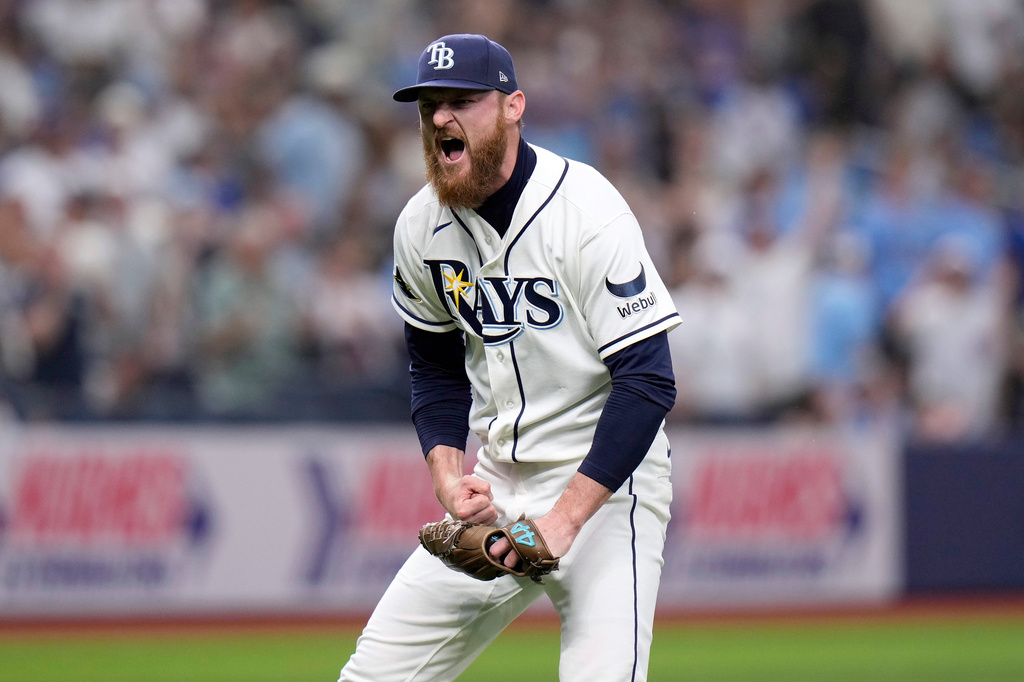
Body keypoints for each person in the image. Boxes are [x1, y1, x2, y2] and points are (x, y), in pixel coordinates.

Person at [339, 34, 680, 681]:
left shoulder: (587, 210)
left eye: (463, 100)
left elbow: (649, 381)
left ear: (512, 106)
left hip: (606, 488)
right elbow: (434, 366)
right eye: (430, 105)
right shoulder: (420, 225)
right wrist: (446, 471)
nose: (442, 117)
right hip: (498, 486)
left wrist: (563, 519)